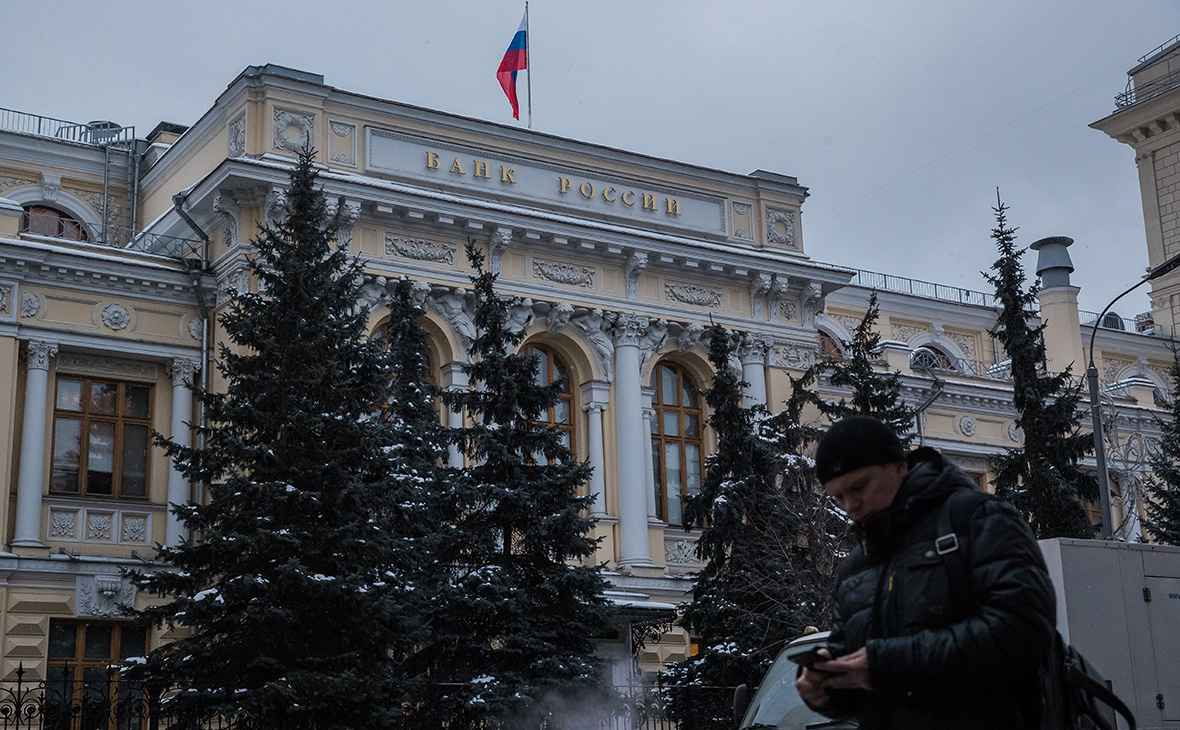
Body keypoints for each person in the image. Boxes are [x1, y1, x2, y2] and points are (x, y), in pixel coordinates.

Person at [794, 415, 1056, 729]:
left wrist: (886, 665)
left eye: (858, 486)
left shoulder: (976, 519)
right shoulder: (857, 563)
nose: (849, 505)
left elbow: (1021, 630)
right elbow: (861, 673)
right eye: (837, 497)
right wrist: (825, 687)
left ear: (899, 466)